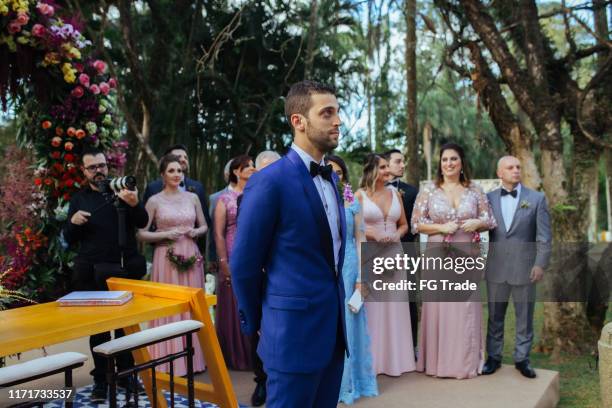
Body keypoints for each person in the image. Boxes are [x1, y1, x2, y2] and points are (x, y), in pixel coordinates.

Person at [230, 80, 347, 408]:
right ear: (299, 121)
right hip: (291, 337)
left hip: (333, 335)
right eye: (327, 113)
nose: (337, 121)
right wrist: (261, 323)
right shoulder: (269, 182)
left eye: (337, 112)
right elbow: (244, 266)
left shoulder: (333, 179)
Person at [63, 146, 148, 402]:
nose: (98, 171)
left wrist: (134, 204)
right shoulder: (78, 199)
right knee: (99, 329)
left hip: (124, 269)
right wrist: (72, 222)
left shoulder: (123, 190)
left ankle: (126, 374)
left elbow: (143, 222)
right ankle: (101, 379)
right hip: (92, 272)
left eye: (101, 165)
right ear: (83, 170)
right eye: (92, 167)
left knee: (125, 327)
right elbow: (69, 237)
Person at [411, 142, 496, 379]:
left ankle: (465, 361)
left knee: (465, 307)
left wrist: (478, 223)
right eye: (445, 159)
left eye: (453, 159)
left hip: (467, 251)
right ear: (440, 164)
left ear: (461, 163)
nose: (448, 163)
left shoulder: (475, 190)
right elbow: (416, 224)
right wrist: (440, 226)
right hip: (438, 252)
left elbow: (490, 219)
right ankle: (438, 362)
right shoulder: (429, 190)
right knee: (440, 307)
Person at [137, 154, 208, 375]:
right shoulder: (154, 201)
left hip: (190, 254)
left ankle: (194, 360)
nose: (177, 174)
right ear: (162, 175)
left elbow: (204, 225)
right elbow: (140, 233)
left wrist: (196, 231)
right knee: (168, 307)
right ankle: (165, 358)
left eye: (179, 171)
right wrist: (166, 233)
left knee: (191, 306)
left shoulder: (193, 198)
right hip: (165, 257)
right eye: (172, 171)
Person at [482, 156, 551, 378]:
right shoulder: (487, 199)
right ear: (499, 173)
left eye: (518, 167)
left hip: (525, 268)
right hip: (496, 268)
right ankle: (493, 358)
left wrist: (540, 264)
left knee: (525, 317)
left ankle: (522, 359)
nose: (516, 170)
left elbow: (544, 237)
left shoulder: (537, 199)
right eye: (510, 167)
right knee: (495, 316)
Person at [356, 153, 416, 376]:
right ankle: (375, 362)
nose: (387, 171)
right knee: (374, 309)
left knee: (396, 306)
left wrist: (396, 235)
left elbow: (404, 225)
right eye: (382, 167)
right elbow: (354, 227)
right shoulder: (359, 196)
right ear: (372, 170)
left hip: (394, 253)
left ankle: (398, 360)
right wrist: (372, 233)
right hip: (371, 256)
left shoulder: (394, 193)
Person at [327, 154, 378, 405]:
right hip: (324, 269)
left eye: (338, 171)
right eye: (328, 170)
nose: (333, 174)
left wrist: (362, 276)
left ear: (344, 175)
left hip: (348, 269)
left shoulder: (351, 202)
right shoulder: (316, 200)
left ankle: (348, 383)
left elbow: (360, 240)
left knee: (349, 324)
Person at [214, 154, 257, 370]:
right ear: (236, 172)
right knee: (234, 304)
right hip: (233, 252)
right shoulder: (225, 199)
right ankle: (236, 355)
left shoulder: (258, 195)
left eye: (252, 165)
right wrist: (223, 262)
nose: (251, 168)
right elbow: (219, 234)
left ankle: (256, 354)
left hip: (255, 253)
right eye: (246, 166)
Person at [248, 150, 281, 406]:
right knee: (257, 331)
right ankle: (261, 380)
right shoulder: (249, 197)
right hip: (258, 272)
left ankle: (277, 380)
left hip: (283, 277)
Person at [383, 148, 420, 352]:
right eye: (398, 161)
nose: (402, 165)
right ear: (386, 165)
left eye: (403, 161)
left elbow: (416, 224)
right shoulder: (371, 190)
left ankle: (411, 346)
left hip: (406, 251)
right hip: (377, 253)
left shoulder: (412, 191)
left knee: (409, 299)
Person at [143, 144, 211, 228]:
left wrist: (195, 234)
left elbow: (205, 221)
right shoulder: (153, 188)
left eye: (185, 157)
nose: (183, 159)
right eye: (178, 157)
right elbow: (144, 223)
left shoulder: (198, 187)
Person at [207, 158, 235, 267]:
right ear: (227, 175)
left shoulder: (252, 195)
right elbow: (212, 231)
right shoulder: (215, 198)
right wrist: (212, 257)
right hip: (223, 256)